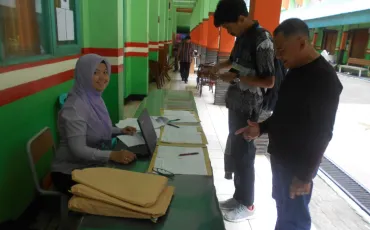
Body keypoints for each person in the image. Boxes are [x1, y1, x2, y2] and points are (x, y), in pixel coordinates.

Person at [236, 18, 343, 230]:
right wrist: (261, 127)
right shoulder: (294, 69)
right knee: (284, 212)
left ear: (302, 43)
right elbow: (285, 113)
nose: (278, 55)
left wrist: (304, 176)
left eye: (282, 49)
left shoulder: (324, 79)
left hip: (297, 166)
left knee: (294, 220)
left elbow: (323, 133)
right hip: (281, 159)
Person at [209, 0, 275, 222]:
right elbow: (236, 62)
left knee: (245, 155)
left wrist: (236, 77)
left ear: (241, 19)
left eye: (229, 27)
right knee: (237, 152)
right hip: (236, 103)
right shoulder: (243, 38)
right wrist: (219, 67)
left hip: (250, 108)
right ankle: (238, 197)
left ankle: (248, 204)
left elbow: (268, 80)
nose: (228, 31)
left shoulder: (262, 39)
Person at [51, 54, 137, 195]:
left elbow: (97, 129)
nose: (102, 77)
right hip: (69, 171)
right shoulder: (75, 107)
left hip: (89, 164)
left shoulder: (94, 97)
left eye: (105, 72)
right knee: (120, 190)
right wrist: (112, 155)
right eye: (95, 72)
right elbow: (78, 150)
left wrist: (120, 131)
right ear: (84, 74)